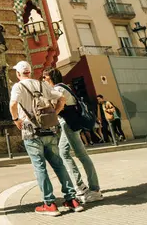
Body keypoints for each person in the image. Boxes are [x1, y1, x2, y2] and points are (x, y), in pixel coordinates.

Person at [9, 61, 84, 217]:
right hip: (49, 130)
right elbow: (62, 98)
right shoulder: (41, 84)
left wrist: (16, 119)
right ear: (30, 71)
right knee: (59, 164)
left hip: (31, 132)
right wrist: (55, 113)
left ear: (18, 74)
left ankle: (49, 204)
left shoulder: (18, 86)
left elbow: (13, 104)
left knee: (40, 167)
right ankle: (71, 199)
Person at [44, 69, 104, 204]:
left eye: (45, 76)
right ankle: (81, 186)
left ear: (51, 77)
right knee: (64, 151)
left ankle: (93, 189)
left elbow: (60, 102)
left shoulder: (58, 88)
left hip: (69, 123)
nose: (43, 79)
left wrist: (53, 114)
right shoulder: (62, 87)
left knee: (80, 154)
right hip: (70, 123)